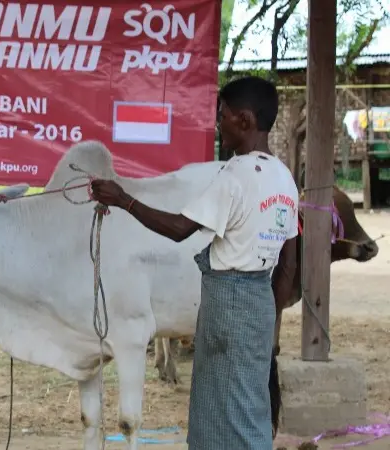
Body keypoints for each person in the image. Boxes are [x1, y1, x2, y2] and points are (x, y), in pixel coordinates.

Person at [91, 76, 298, 450]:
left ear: (245, 121)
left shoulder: (234, 175)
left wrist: (124, 200)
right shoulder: (284, 178)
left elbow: (179, 229)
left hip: (228, 300)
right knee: (243, 404)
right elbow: (288, 262)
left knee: (224, 412)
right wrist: (269, 311)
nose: (218, 125)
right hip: (260, 301)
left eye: (223, 116)